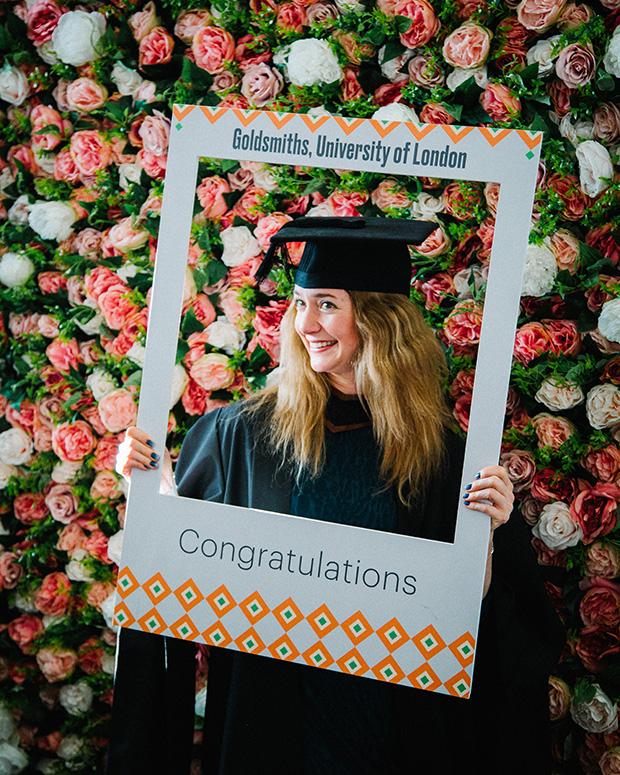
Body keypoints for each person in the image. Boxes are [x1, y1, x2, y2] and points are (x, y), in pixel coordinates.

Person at [108, 217, 566, 775]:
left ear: (380, 319)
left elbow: (496, 643)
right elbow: (177, 582)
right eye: (301, 303)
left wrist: (487, 545)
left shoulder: (446, 458)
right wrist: (150, 492)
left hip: (388, 732)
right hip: (269, 724)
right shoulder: (242, 436)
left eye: (326, 303)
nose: (306, 324)